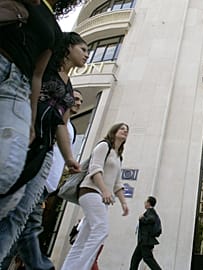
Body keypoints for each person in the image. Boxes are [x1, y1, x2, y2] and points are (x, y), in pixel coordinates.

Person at [0, 0, 82, 263]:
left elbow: (62, 124)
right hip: (23, 128)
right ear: (68, 48)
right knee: (8, 182)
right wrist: (31, 117)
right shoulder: (48, 68)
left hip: (43, 144)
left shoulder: (69, 90)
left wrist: (69, 158)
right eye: (84, 48)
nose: (87, 54)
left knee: (21, 211)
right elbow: (34, 81)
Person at [0, 89, 84, 270]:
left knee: (22, 230)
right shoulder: (54, 119)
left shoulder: (71, 128)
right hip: (37, 178)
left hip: (47, 186)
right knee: (26, 227)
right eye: (76, 99)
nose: (78, 103)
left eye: (81, 101)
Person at [61, 123, 130, 270]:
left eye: (127, 130)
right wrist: (104, 190)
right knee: (101, 230)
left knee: (83, 238)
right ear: (114, 131)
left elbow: (117, 183)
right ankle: (81, 267)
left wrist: (123, 202)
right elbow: (95, 169)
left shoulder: (118, 156)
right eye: (122, 128)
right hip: (90, 192)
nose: (125, 131)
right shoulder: (103, 146)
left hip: (102, 198)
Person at [129, 196, 163, 270]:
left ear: (148, 203)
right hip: (143, 241)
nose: (144, 203)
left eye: (145, 202)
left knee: (148, 259)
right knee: (135, 260)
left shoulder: (151, 212)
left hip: (146, 241)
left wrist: (142, 218)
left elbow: (152, 219)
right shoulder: (149, 212)